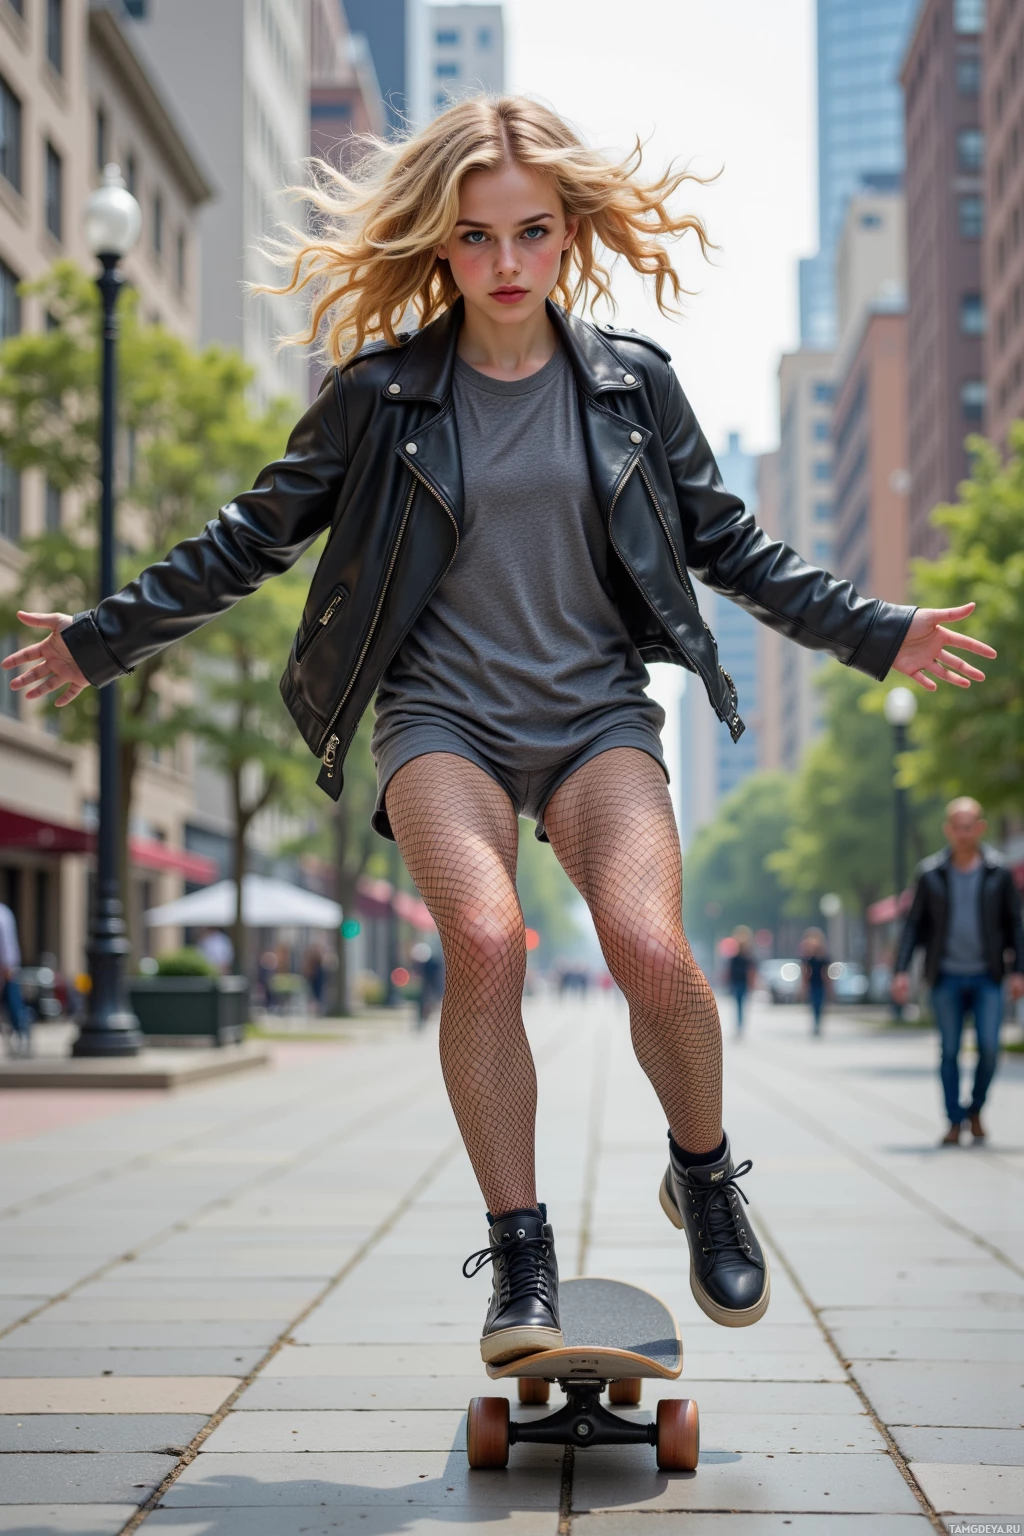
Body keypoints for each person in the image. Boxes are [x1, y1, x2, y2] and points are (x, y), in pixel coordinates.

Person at [1, 98, 994, 1364]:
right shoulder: (377, 399)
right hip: (441, 718)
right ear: (440, 247)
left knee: (647, 942)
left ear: (569, 234)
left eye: (531, 233)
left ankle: (702, 1174)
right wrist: (105, 635)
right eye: (476, 239)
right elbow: (250, 537)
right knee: (482, 937)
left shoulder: (635, 387)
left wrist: (873, 630)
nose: (506, 263)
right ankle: (519, 1252)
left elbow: (729, 546)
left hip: (593, 718)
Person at [893, 798, 1024, 1146]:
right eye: (957, 826)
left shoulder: (999, 872)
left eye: (970, 826)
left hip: (988, 976)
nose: (964, 833)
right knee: (949, 1051)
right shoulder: (930, 873)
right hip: (946, 975)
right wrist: (902, 971)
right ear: (948, 830)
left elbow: (1015, 924)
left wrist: (1018, 972)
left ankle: (975, 1109)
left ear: (980, 828)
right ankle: (954, 1121)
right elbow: (913, 926)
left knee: (990, 1048)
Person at [0, 899, 29, 1055]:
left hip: (7, 970)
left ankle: (21, 1036)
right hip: (7, 968)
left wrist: (8, 966)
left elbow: (7, 944)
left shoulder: (2, 914)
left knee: (13, 1006)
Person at [726, 927, 756, 1035]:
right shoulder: (734, 958)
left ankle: (740, 1025)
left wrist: (752, 984)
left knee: (741, 1005)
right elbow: (729, 971)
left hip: (743, 984)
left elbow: (751, 972)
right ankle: (739, 1025)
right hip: (736, 983)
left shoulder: (749, 958)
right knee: (738, 1005)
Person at [800, 928, 830, 1037]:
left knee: (820, 1005)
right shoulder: (808, 958)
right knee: (814, 1005)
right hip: (812, 984)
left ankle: (818, 1024)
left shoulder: (824, 958)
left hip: (821, 984)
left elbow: (826, 974)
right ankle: (815, 1024)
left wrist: (830, 987)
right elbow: (805, 973)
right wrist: (804, 987)